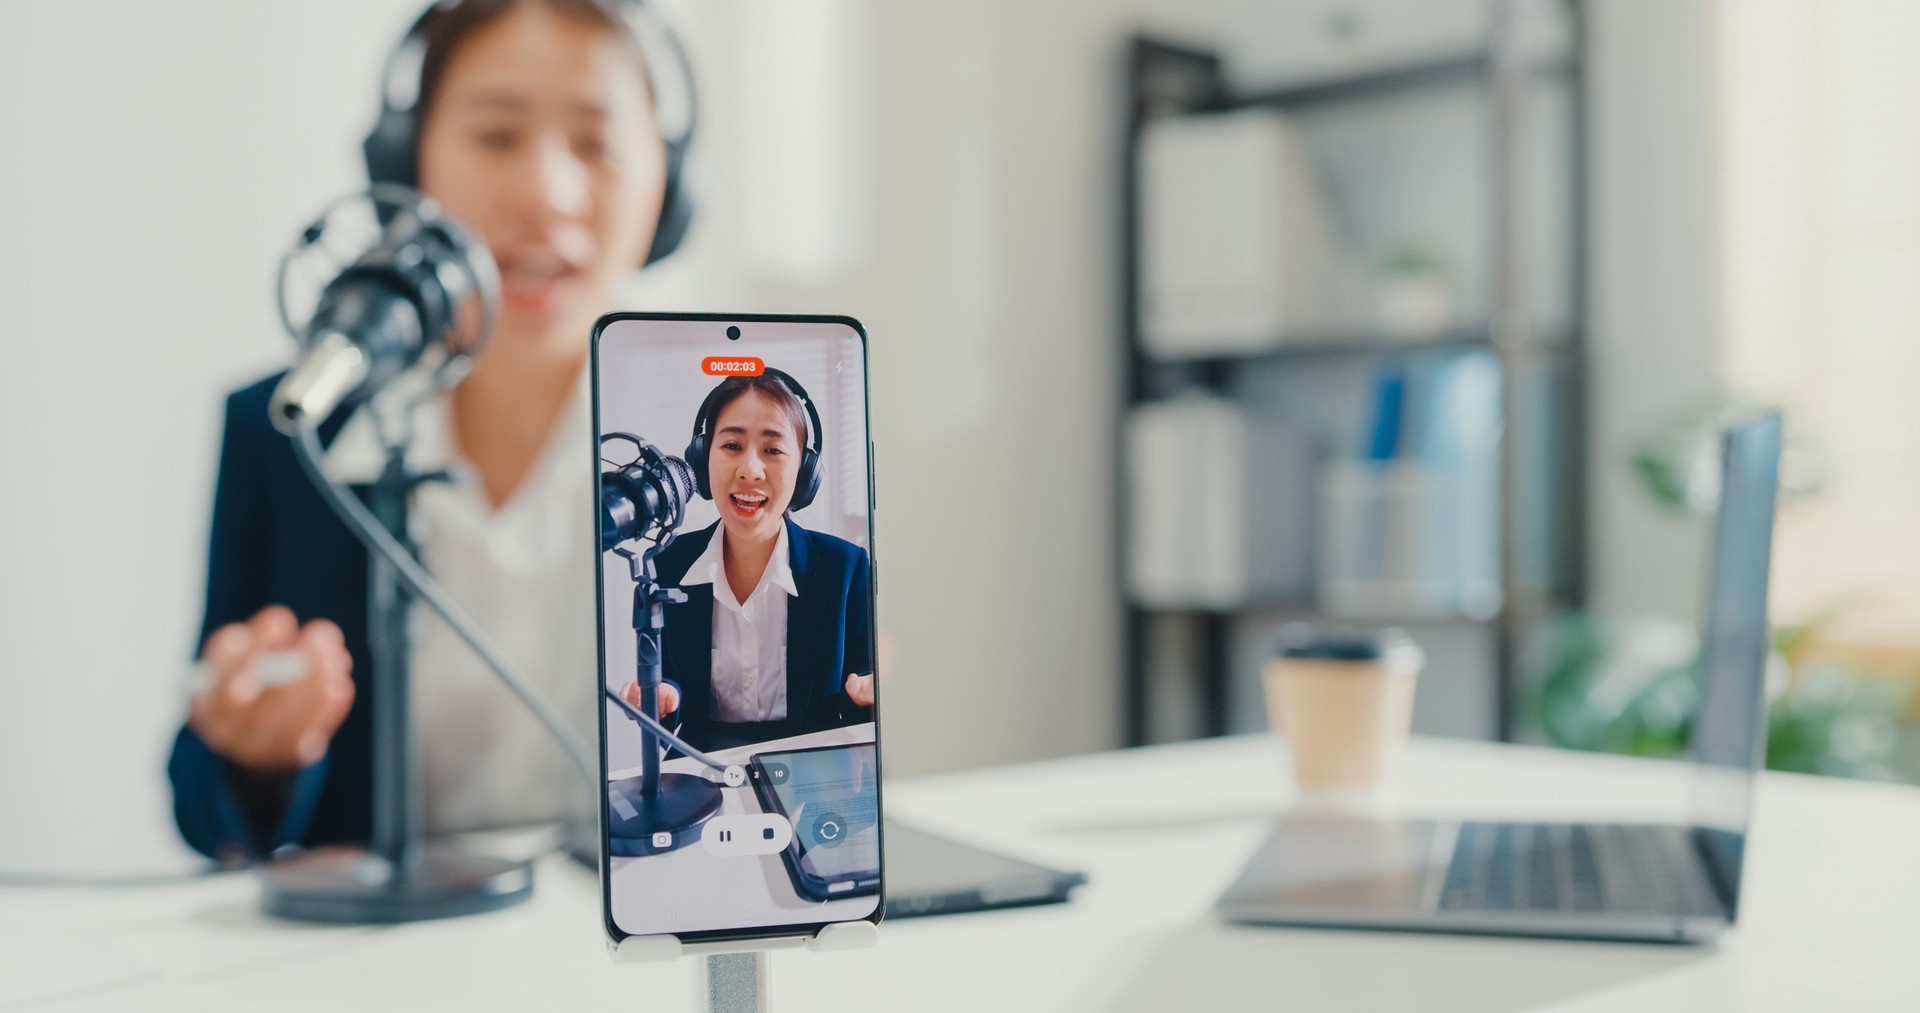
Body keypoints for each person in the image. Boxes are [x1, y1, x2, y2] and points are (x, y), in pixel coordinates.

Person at [169, 0, 683, 862]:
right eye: (496, 136)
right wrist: (256, 755)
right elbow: (200, 808)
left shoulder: (721, 448)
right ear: (408, 164)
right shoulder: (290, 432)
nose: (545, 193)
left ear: (668, 189)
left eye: (595, 144)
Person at [616, 373, 875, 751]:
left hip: (810, 769)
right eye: (732, 445)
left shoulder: (845, 568)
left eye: (773, 451)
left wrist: (866, 694)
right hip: (702, 770)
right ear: (704, 461)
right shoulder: (666, 563)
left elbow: (857, 703)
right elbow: (671, 687)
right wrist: (660, 695)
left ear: (804, 471)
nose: (750, 470)